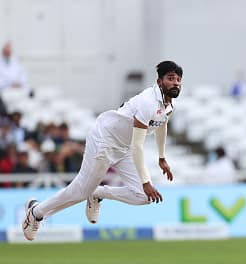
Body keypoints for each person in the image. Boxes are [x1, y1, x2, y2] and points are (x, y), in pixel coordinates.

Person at [21, 61, 182, 241]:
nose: (175, 83)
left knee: (143, 197)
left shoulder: (169, 105)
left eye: (178, 79)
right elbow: (138, 146)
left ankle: (98, 193)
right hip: (104, 141)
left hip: (124, 147)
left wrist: (162, 157)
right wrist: (146, 181)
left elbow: (161, 126)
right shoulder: (147, 102)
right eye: (170, 78)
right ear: (159, 82)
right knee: (81, 191)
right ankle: (36, 212)